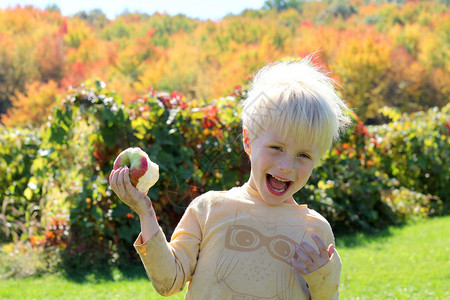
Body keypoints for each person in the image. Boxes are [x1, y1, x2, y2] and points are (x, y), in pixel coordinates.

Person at [109, 55, 349, 299]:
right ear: (248, 140)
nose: (286, 166)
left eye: (303, 155)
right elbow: (168, 281)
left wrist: (323, 276)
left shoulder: (315, 231)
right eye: (276, 148)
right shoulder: (209, 209)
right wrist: (144, 210)